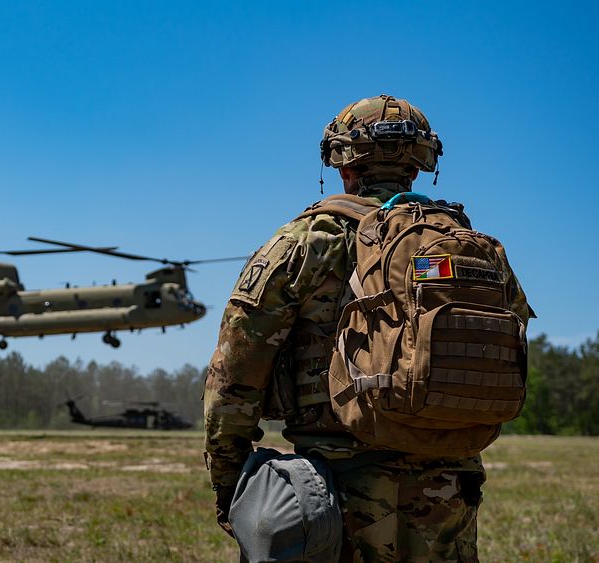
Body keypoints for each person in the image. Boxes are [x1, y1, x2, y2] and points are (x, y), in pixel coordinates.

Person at [204, 94, 531, 561]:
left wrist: (230, 485)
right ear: (419, 167)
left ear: (343, 165)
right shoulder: (474, 251)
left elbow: (234, 376)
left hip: (336, 491)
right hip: (450, 492)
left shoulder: (305, 243)